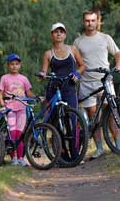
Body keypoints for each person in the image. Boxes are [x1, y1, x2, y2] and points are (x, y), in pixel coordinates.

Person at [74, 10, 120, 159]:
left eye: (93, 20)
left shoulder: (105, 38)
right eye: (87, 20)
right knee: (93, 117)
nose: (90, 23)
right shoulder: (78, 42)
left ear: (97, 22)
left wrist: (119, 65)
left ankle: (119, 146)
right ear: (84, 22)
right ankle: (99, 148)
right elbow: (74, 61)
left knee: (111, 114)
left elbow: (118, 54)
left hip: (105, 80)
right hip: (86, 82)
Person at [39, 22, 85, 161]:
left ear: (65, 34)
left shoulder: (73, 50)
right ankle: (61, 155)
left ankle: (75, 155)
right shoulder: (48, 54)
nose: (59, 34)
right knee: (55, 123)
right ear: (52, 35)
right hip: (54, 89)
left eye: (61, 31)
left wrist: (77, 74)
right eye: (55, 32)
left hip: (69, 88)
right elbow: (44, 71)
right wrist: (42, 74)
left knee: (72, 120)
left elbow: (83, 65)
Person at [0, 53, 36, 167]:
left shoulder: (24, 79)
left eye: (17, 64)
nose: (14, 66)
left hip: (22, 108)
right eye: (12, 64)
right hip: (10, 109)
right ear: (8, 65)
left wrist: (36, 97)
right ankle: (13, 157)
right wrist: (2, 104)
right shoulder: (4, 78)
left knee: (20, 134)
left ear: (20, 65)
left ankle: (20, 158)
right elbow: (0, 93)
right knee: (12, 133)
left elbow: (28, 92)